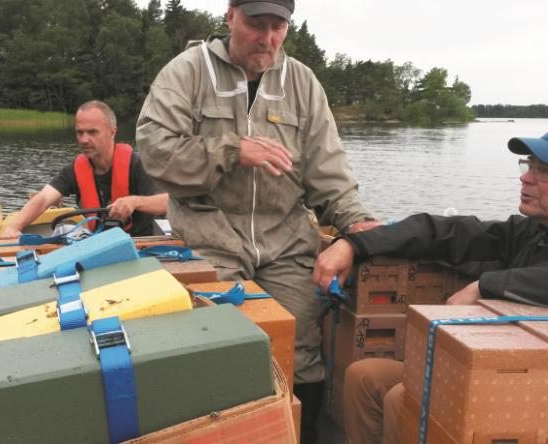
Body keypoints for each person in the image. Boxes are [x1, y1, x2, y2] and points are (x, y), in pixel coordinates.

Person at [135, 0, 378, 440]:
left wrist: (359, 224)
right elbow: (156, 153)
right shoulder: (186, 72)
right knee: (223, 346)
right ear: (230, 17)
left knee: (302, 347)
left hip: (285, 242)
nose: (266, 38)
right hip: (207, 239)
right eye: (255, 24)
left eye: (277, 27)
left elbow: (329, 172)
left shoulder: (302, 83)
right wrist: (231, 149)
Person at [312, 121, 548, 444]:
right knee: (366, 377)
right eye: (529, 165)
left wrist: (486, 286)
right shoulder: (534, 233)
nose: (526, 177)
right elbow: (442, 232)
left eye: (546, 170)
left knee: (401, 398)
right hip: (501, 368)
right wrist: (352, 244)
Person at [0, 101, 168, 239]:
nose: (84, 140)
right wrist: (14, 227)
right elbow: (44, 198)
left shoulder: (138, 165)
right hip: (98, 244)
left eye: (92, 132)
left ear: (112, 132)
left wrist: (134, 201)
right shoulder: (74, 170)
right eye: (80, 133)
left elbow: (168, 202)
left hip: (142, 245)